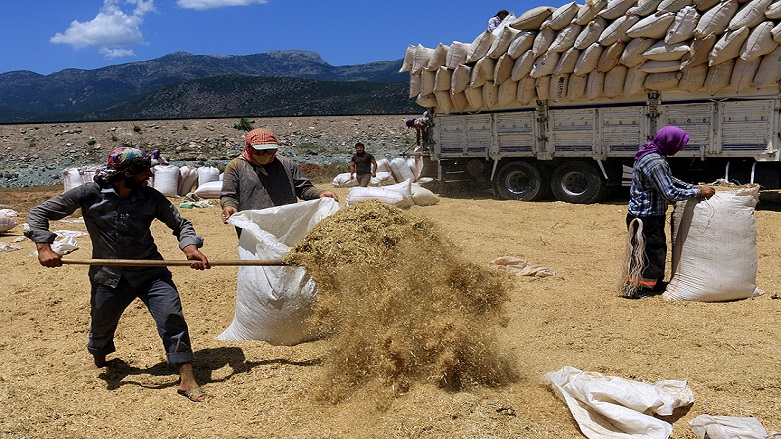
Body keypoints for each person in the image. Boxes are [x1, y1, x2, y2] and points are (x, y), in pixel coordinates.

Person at [25, 147, 211, 402]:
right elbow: (39, 212)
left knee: (172, 317)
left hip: (150, 272)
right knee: (101, 324)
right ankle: (99, 358)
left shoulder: (150, 197)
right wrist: (44, 248)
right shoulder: (89, 193)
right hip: (108, 275)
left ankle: (186, 378)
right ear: (126, 173)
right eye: (144, 170)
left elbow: (180, 224)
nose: (149, 175)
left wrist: (189, 247)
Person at [622, 126, 715, 299]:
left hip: (646, 216)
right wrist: (697, 192)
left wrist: (691, 186)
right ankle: (640, 289)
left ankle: (651, 283)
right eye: (678, 145)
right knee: (649, 252)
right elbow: (669, 193)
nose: (679, 149)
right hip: (646, 218)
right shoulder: (655, 162)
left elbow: (669, 180)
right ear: (670, 142)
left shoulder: (651, 155)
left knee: (651, 250)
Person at [220, 128, 339, 227]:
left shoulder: (286, 164)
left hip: (285, 223)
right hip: (253, 226)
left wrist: (319, 193)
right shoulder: (236, 167)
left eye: (270, 151)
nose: (266, 155)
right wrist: (229, 206)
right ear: (249, 148)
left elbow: (304, 189)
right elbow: (229, 195)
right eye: (260, 151)